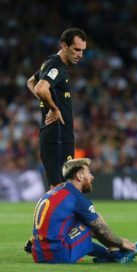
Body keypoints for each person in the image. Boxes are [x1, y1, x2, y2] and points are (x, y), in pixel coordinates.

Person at [28, 158, 137, 264]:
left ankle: (112, 255)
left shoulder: (54, 192)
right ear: (79, 176)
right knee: (94, 222)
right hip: (58, 255)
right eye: (88, 172)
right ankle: (118, 254)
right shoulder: (76, 198)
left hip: (39, 254)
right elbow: (101, 230)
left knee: (84, 223)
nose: (92, 176)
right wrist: (121, 242)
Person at [27, 28, 86, 188]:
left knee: (61, 186)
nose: (80, 55)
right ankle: (46, 213)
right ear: (64, 46)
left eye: (83, 51)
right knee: (59, 187)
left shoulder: (51, 61)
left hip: (59, 135)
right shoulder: (56, 66)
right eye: (76, 50)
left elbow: (31, 82)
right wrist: (54, 109)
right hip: (57, 134)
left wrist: (47, 103)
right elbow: (40, 88)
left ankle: (49, 213)